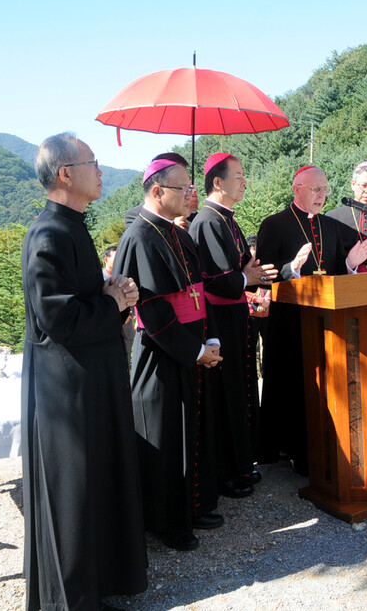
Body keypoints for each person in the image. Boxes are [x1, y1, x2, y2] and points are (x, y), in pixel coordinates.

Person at [21, 132, 147, 609]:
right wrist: (111, 302)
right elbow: (56, 318)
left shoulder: (72, 226)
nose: (100, 169)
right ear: (65, 174)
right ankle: (73, 597)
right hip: (65, 390)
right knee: (74, 494)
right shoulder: (49, 233)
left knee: (97, 483)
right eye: (92, 162)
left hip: (88, 381)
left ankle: (99, 585)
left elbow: (78, 296)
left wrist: (108, 289)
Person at [113, 154, 224, 549]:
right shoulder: (138, 237)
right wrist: (194, 350)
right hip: (162, 354)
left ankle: (194, 505)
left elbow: (198, 293)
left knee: (190, 432)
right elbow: (153, 310)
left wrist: (210, 340)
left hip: (192, 348)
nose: (191, 193)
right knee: (165, 441)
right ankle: (166, 523)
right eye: (183, 188)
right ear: (158, 191)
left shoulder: (178, 233)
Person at [256, 165, 367, 472]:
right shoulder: (274, 225)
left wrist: (350, 263)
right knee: (293, 385)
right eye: (315, 189)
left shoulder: (331, 226)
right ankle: (292, 450)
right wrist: (292, 268)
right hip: (288, 322)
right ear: (297, 190)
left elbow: (340, 266)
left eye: (325, 190)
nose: (321, 195)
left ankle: (323, 447)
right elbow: (264, 274)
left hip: (326, 321)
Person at [189, 152, 277, 497]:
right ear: (217, 182)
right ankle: (226, 472)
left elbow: (241, 267)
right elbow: (214, 279)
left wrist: (253, 272)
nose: (244, 181)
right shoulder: (209, 221)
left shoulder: (226, 218)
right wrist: (247, 275)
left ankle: (241, 463)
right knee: (224, 397)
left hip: (235, 316)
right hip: (219, 319)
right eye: (238, 176)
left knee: (240, 392)